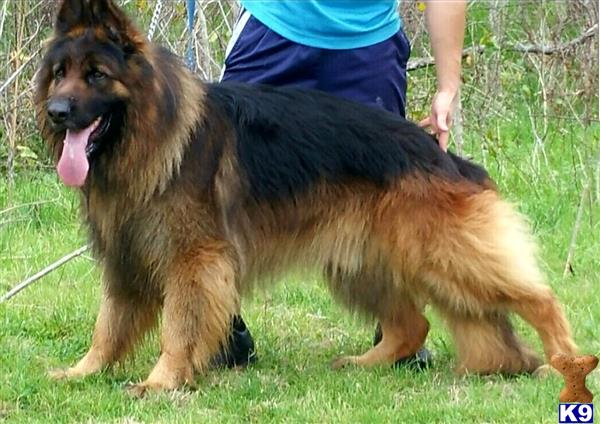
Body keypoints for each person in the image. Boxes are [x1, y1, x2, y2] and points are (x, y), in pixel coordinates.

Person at [213, 0, 467, 368]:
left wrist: (448, 85)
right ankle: (220, 328)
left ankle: (400, 329)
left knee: (389, 195)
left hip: (368, 42)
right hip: (274, 28)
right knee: (220, 187)